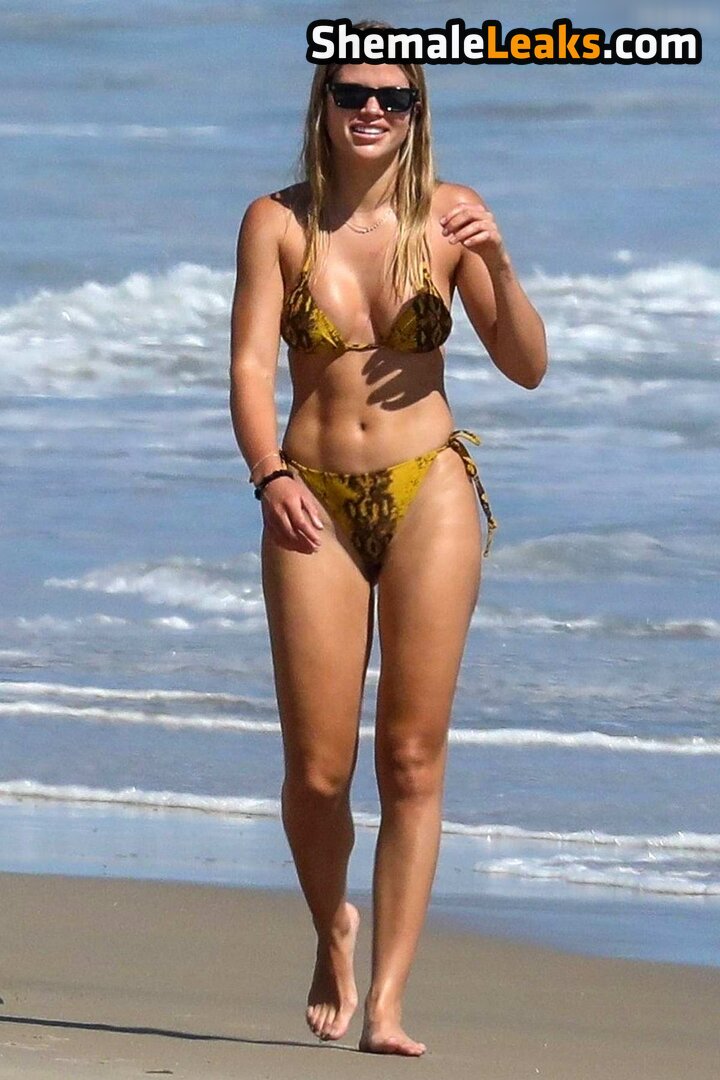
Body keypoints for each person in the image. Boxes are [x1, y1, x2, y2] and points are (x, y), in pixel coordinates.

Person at [229, 22, 547, 1057]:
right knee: (318, 774)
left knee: (411, 755)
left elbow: (527, 366)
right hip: (310, 495)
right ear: (322, 105)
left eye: (393, 97)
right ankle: (334, 929)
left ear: (417, 113)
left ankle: (390, 1001)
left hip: (429, 488)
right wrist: (269, 473)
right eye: (352, 93)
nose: (371, 109)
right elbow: (249, 367)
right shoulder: (277, 222)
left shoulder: (451, 221)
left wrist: (497, 260)